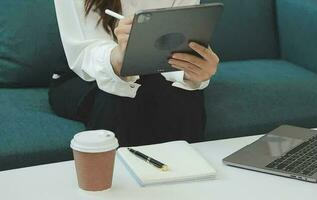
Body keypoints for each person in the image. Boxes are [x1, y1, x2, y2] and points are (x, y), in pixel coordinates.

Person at [50, 0, 220, 146]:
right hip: (83, 74)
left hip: (157, 68)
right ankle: (118, 178)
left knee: (183, 97)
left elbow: (180, 40)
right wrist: (119, 57)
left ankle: (187, 176)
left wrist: (194, 70)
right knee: (119, 97)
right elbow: (86, 53)